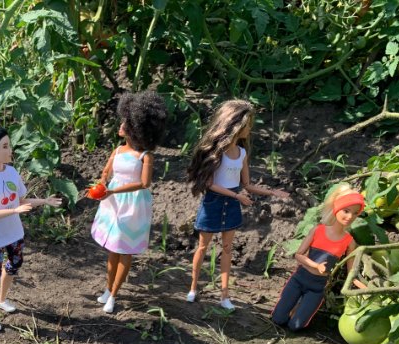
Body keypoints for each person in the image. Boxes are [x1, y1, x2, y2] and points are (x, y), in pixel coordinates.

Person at [186, 99, 290, 310]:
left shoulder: (241, 153)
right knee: (203, 246)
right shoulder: (216, 152)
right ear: (236, 124)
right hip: (214, 203)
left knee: (227, 248)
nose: (250, 128)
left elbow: (247, 185)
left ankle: (224, 295)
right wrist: (237, 197)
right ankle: (193, 288)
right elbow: (209, 183)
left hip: (232, 203)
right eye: (248, 123)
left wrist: (272, 191)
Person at [0, 124, 62, 331]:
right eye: (5, 146)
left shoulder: (12, 172)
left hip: (13, 232)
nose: (10, 150)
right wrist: (15, 211)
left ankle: (2, 299)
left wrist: (44, 201)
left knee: (15, 263)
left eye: (9, 145)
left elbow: (22, 199)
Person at [90, 91, 168, 314]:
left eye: (126, 122)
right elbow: (106, 172)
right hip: (112, 202)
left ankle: (114, 294)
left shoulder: (145, 156)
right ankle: (108, 288)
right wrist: (100, 185)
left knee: (125, 250)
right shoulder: (117, 150)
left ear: (137, 127)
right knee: (113, 249)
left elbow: (144, 184)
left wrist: (111, 189)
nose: (121, 125)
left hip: (132, 205)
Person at [271, 184, 364, 331]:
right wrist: (316, 266)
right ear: (336, 208)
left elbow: (351, 270)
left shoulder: (349, 241)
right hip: (299, 279)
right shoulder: (318, 230)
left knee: (295, 326)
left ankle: (298, 310)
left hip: (317, 287)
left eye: (355, 213)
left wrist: (362, 287)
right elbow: (298, 255)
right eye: (346, 211)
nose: (350, 217)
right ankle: (293, 306)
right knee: (278, 319)